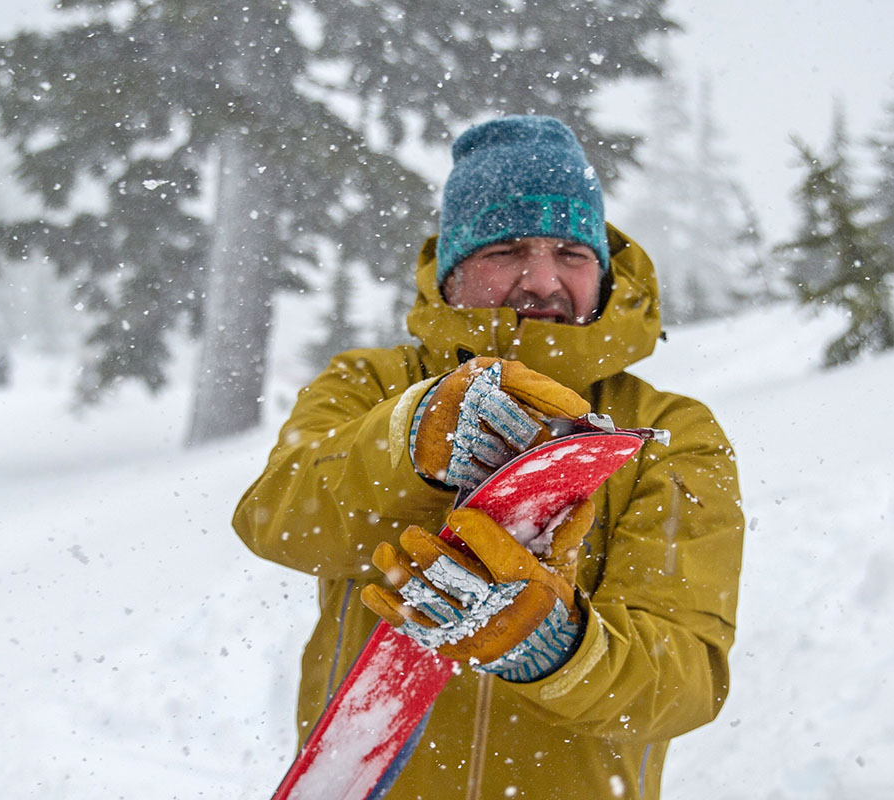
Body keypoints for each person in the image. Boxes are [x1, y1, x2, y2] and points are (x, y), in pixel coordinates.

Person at [234, 115, 743, 800]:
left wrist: (558, 650)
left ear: (601, 270)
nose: (542, 281)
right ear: (452, 271)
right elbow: (277, 516)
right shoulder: (373, 386)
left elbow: (685, 678)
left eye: (572, 252)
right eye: (505, 250)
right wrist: (410, 443)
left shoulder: (667, 433)